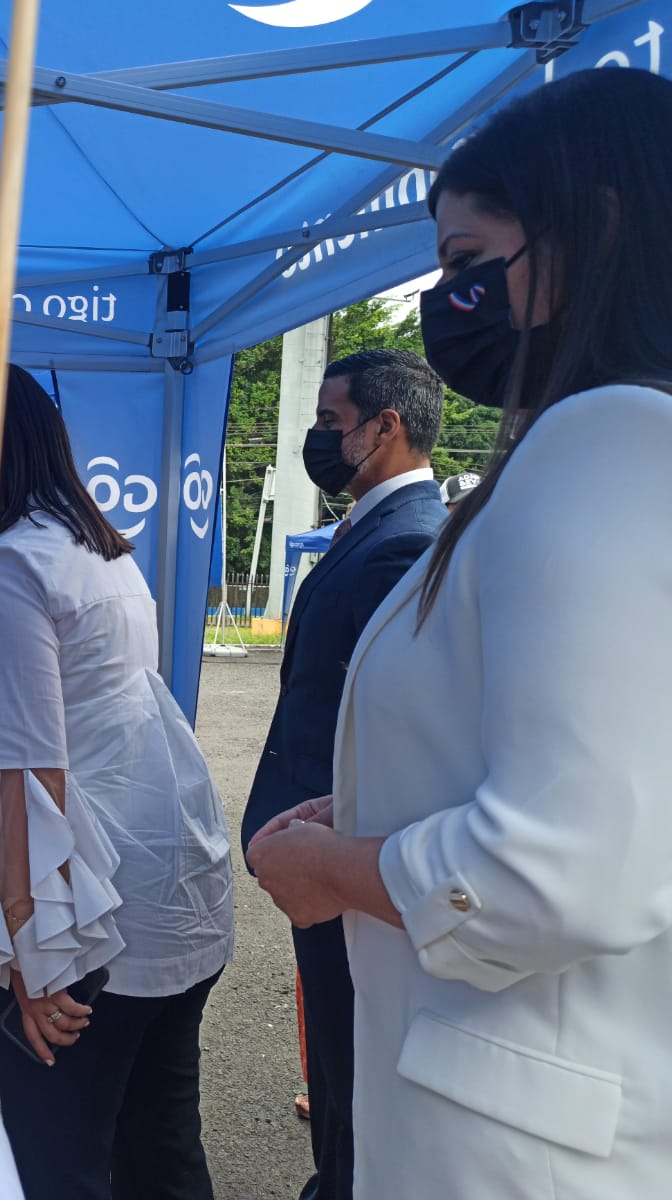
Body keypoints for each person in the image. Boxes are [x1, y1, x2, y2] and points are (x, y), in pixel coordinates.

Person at [248, 67, 672, 1199]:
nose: (449, 303)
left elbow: (562, 872)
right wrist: (378, 796)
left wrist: (336, 866)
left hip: (515, 1143)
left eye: (469, 263)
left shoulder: (609, 443)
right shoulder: (592, 452)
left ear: (596, 231)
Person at [0, 365, 234, 1200]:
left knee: (56, 1157)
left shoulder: (15, 566)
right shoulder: (95, 547)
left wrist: (34, 952)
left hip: (91, 909)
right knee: (160, 1144)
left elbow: (29, 767)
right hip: (167, 873)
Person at [239, 349, 446, 1200]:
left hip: (346, 858)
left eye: (330, 423)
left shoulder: (409, 545)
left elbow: (402, 733)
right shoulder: (372, 528)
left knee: (355, 1058)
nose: (320, 440)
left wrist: (332, 854)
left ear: (384, 427)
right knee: (331, 1046)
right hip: (320, 849)